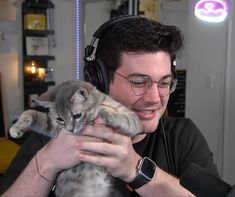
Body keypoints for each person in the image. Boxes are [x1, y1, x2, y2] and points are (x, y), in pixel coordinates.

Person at [0, 15, 219, 197]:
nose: (155, 97)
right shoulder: (56, 133)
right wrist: (48, 160)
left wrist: (136, 169)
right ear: (100, 81)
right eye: (139, 82)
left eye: (164, 82)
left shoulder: (183, 136)